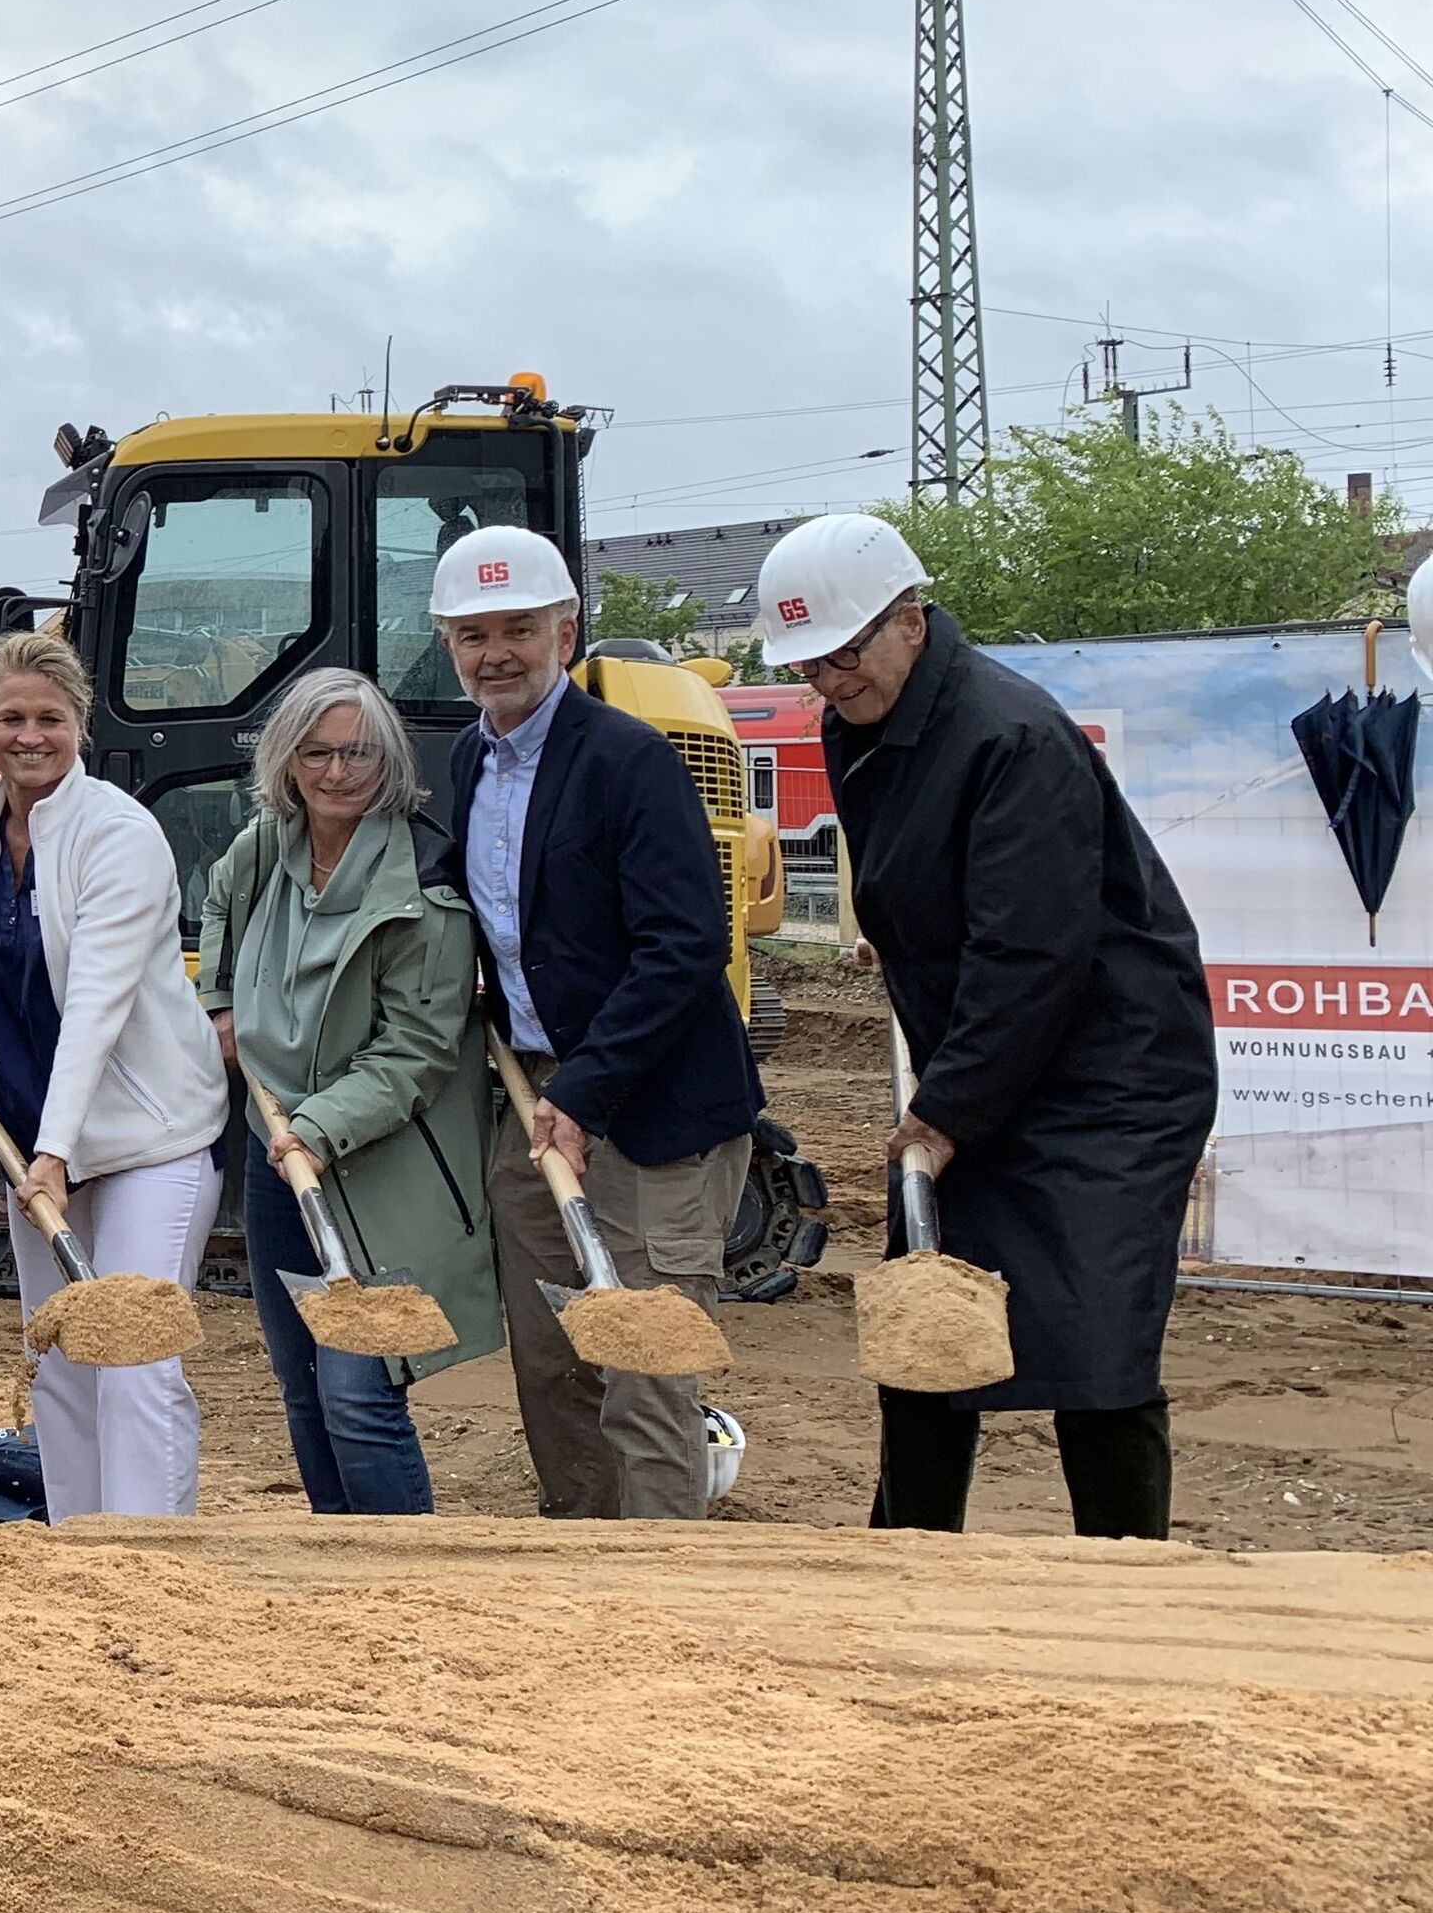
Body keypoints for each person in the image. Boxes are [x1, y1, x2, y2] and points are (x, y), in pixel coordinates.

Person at [758, 514, 1217, 1540]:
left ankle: (1126, 1573)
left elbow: (1033, 952)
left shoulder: (1011, 737)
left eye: (845, 654)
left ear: (909, 622)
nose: (831, 680)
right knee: (924, 1323)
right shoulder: (861, 724)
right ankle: (911, 1556)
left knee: (1094, 1349)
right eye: (810, 666)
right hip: (989, 1056)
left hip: (1107, 1079)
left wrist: (945, 1111)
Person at [429, 526, 763, 1521]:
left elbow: (685, 945)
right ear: (448, 644)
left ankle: (659, 1575)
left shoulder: (630, 759)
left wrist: (585, 1089)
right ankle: (579, 1555)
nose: (496, 654)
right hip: (536, 1092)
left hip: (654, 1108)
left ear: (565, 633)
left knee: (645, 1365)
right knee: (552, 1360)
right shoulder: (470, 759)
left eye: (519, 630)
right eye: (473, 634)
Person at [0, 631, 232, 1520]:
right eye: (11, 718)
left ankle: (147, 1555)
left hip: (149, 1136)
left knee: (134, 1357)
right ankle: (78, 1550)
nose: (30, 737)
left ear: (81, 726)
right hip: (39, 1135)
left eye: (50, 719)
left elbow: (98, 1001)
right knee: (60, 1356)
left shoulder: (121, 835)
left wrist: (54, 1152)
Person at [196, 668, 499, 1515]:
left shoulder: (422, 890)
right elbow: (218, 907)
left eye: (358, 754)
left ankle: (406, 1568)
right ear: (287, 761)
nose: (336, 772)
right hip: (276, 1148)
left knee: (359, 1392)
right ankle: (338, 1554)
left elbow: (416, 1052)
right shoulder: (267, 847)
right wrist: (220, 1002)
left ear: (389, 761)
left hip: (383, 1160)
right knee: (300, 1378)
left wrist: (319, 1128)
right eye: (317, 753)